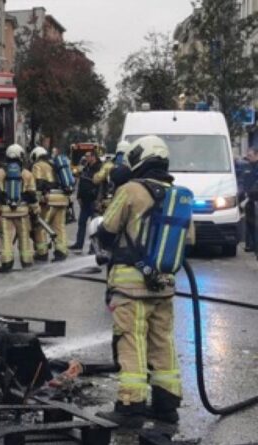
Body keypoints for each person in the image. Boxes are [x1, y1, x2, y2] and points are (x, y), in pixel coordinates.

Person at [95, 135, 194, 427]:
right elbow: (188, 240)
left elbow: (108, 231)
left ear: (140, 158)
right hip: (164, 284)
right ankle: (167, 405)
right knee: (162, 341)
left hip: (130, 285)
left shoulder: (131, 190)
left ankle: (131, 405)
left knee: (131, 341)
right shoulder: (179, 195)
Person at [0, 144, 40, 272]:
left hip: (5, 212)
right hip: (22, 212)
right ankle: (26, 262)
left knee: (6, 238)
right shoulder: (27, 174)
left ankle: (6, 264)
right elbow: (32, 195)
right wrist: (35, 211)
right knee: (24, 237)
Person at [30, 146, 69, 262]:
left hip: (49, 200)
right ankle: (61, 252)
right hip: (61, 198)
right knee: (59, 227)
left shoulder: (37, 165)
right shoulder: (54, 165)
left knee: (40, 227)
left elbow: (37, 184)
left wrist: (34, 202)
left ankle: (42, 253)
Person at [69, 151, 102, 251]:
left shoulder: (99, 168)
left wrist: (98, 200)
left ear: (93, 157)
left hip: (93, 200)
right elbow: (81, 182)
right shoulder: (85, 167)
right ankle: (79, 244)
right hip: (84, 201)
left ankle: (93, 247)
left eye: (88, 156)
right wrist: (79, 196)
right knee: (81, 223)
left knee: (94, 226)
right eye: (86, 156)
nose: (86, 158)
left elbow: (101, 185)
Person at [93, 142, 132, 214]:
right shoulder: (132, 165)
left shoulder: (108, 165)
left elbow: (96, 180)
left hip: (110, 202)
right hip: (126, 202)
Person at [240, 147, 258, 252]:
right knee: (249, 223)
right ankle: (250, 245)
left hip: (255, 199)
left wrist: (251, 193)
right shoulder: (247, 166)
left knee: (255, 224)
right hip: (247, 199)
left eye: (250, 155)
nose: (248, 157)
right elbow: (243, 180)